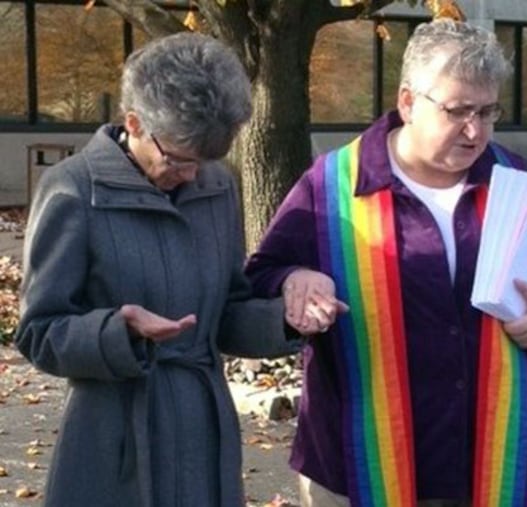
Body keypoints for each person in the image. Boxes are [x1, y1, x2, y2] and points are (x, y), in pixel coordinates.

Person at [245, 19, 527, 507]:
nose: (475, 130)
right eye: (457, 111)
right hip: (357, 466)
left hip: (499, 464)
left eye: (488, 111)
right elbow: (263, 273)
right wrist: (296, 280)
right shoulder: (331, 186)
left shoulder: (517, 179)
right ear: (408, 102)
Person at [14, 32, 337, 507]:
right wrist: (117, 331)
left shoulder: (216, 187)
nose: (192, 175)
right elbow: (38, 332)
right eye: (179, 160)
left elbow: (227, 311)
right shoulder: (73, 190)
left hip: (205, 430)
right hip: (112, 435)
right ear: (134, 124)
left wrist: (286, 319)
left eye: (206, 160)